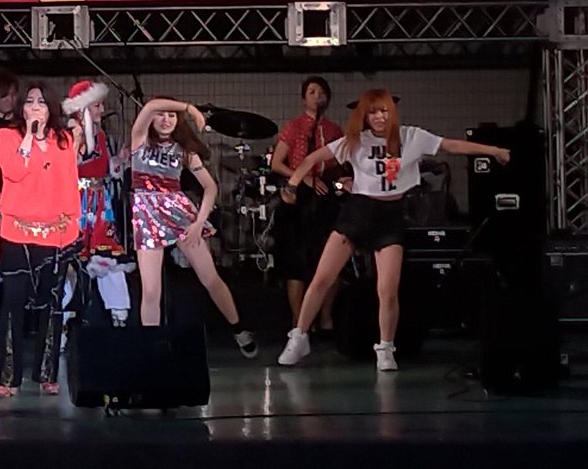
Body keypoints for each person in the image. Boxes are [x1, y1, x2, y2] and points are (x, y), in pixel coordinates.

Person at [277, 88, 511, 371]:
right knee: (322, 278)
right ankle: (299, 337)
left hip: (390, 216)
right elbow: (310, 159)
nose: (379, 117)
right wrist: (292, 185)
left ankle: (386, 348)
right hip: (358, 212)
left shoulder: (411, 137)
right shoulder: (355, 141)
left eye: (384, 110)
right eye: (372, 112)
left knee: (387, 289)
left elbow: (452, 146)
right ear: (365, 116)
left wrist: (493, 150)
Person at [130, 97, 257, 358]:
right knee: (151, 290)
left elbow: (210, 187)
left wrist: (199, 223)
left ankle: (239, 328)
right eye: (162, 114)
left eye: (172, 115)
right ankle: (151, 349)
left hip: (180, 214)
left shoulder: (184, 151)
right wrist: (189, 108)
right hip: (146, 216)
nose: (166, 119)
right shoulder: (139, 140)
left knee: (210, 278)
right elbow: (150, 105)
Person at [0, 81, 81, 397]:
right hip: (17, 231)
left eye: (41, 102)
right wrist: (29, 136)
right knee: (13, 304)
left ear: (50, 107)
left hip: (55, 231)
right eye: (29, 101)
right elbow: (14, 171)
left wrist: (72, 226)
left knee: (51, 304)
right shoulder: (7, 136)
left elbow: (70, 182)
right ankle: (8, 378)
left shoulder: (64, 139)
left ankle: (47, 373)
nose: (34, 107)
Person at [270, 76, 344, 331]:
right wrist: (303, 178)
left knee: (329, 259)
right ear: (303, 98)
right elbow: (276, 163)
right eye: (312, 92)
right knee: (296, 261)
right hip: (299, 195)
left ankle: (326, 317)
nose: (317, 96)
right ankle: (299, 320)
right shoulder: (294, 127)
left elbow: (341, 163)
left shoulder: (334, 130)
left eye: (322, 92)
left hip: (326, 195)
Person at [62, 80, 132, 327]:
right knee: (70, 260)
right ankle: (63, 318)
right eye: (97, 105)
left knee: (108, 255)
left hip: (99, 201)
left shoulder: (99, 135)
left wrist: (118, 161)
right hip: (75, 201)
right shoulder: (68, 135)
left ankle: (119, 314)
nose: (102, 110)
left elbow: (102, 169)